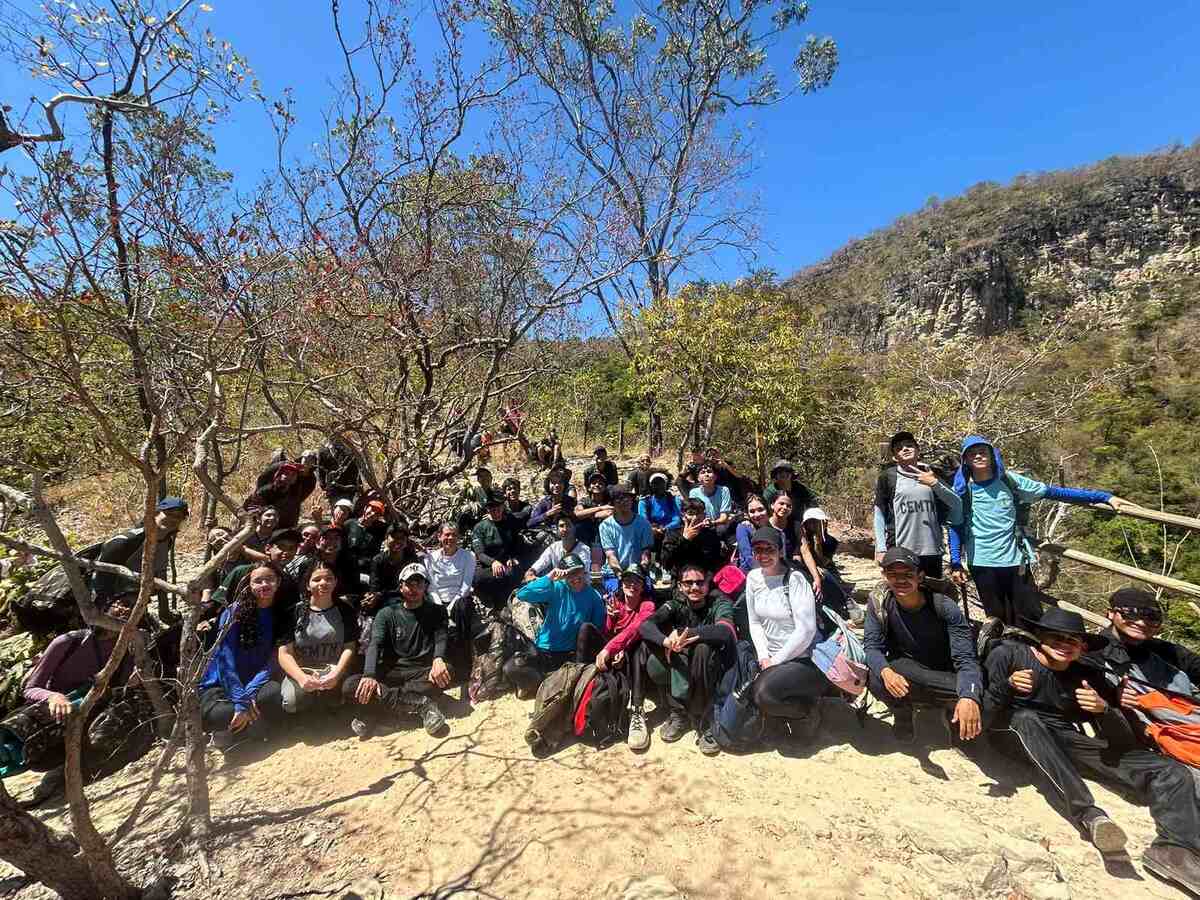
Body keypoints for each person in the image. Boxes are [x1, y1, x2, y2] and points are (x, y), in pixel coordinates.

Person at [983, 606, 1200, 888]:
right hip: (1010, 731)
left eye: (1072, 640)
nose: (1063, 645)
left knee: (1168, 770)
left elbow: (1122, 743)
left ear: (1082, 647)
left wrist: (1105, 711)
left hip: (1063, 737)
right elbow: (984, 712)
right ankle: (1089, 815)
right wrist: (1007, 686)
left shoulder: (1085, 675)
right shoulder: (1009, 654)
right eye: (1055, 637)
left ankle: (1176, 849)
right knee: (1027, 719)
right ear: (1039, 637)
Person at [949, 435, 1130, 627]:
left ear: (992, 455)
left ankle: (1032, 654)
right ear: (965, 460)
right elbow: (955, 526)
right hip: (981, 562)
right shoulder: (962, 490)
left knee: (1030, 615)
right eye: (972, 453)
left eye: (983, 452)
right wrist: (955, 562)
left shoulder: (1010, 481)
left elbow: (1055, 492)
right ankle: (1002, 654)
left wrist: (1103, 497)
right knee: (996, 619)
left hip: (1015, 559)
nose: (978, 456)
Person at [2, 595, 155, 807]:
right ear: (103, 609)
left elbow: (122, 690)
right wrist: (54, 696)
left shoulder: (132, 648)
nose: (124, 611)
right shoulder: (68, 642)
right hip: (53, 715)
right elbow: (30, 688)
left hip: (94, 714)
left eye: (133, 608)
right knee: (15, 747)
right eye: (120, 604)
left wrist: (136, 681)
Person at [864, 547, 983, 745]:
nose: (901, 580)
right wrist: (886, 672)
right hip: (906, 668)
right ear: (885, 576)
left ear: (920, 577)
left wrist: (969, 695)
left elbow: (965, 659)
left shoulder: (944, 606)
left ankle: (953, 710)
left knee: (978, 694)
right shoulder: (879, 604)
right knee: (875, 676)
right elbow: (871, 647)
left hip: (944, 672)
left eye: (908, 575)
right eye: (893, 575)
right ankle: (903, 714)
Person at [343, 564, 452, 737]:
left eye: (419, 583)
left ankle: (378, 708)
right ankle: (422, 705)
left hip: (421, 672)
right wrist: (370, 675)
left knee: (445, 673)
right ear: (401, 587)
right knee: (350, 685)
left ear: (426, 586)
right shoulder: (386, 613)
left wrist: (438, 658)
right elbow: (375, 643)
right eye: (409, 584)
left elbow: (441, 637)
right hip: (391, 673)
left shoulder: (437, 611)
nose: (414, 589)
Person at [639, 563, 737, 754]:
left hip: (713, 669)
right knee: (653, 656)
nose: (694, 587)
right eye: (688, 582)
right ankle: (679, 713)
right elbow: (646, 626)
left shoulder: (719, 603)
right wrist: (666, 641)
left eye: (700, 583)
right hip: (683, 666)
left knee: (702, 648)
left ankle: (706, 720)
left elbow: (726, 631)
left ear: (707, 585)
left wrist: (686, 633)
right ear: (681, 586)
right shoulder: (676, 604)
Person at [1089, 587, 1200, 751]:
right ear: (1111, 613)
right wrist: (1113, 696)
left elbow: (1194, 664)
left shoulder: (1161, 650)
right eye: (1131, 614)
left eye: (1151, 617)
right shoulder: (1094, 653)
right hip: (1152, 734)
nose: (1141, 622)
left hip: (1186, 717)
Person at [743, 527, 824, 739]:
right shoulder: (752, 579)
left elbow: (806, 631)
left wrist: (775, 660)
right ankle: (776, 715)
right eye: (757, 550)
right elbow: (754, 621)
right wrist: (763, 656)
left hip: (803, 658)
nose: (763, 555)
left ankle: (806, 711)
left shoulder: (796, 580)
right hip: (769, 657)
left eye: (769, 549)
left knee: (763, 694)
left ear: (780, 551)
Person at [197, 562, 285, 750]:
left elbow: (273, 660)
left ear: (278, 582)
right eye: (258, 581)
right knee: (214, 714)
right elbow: (225, 661)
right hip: (222, 682)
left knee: (273, 693)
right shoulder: (233, 612)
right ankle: (239, 725)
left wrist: (252, 689)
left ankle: (243, 727)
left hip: (256, 679)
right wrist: (240, 700)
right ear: (249, 585)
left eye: (269, 579)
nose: (264, 585)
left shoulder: (280, 613)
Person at [576, 566, 657, 751]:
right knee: (586, 629)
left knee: (640, 645)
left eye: (637, 581)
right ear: (621, 583)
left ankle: (637, 710)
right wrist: (611, 619)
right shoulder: (615, 603)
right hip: (613, 653)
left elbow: (635, 630)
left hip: (631, 658)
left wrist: (613, 649)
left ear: (643, 587)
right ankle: (577, 681)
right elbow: (607, 632)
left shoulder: (647, 606)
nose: (632, 585)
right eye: (628, 580)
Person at [501, 555, 606, 697]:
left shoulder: (593, 596)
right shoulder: (557, 587)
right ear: (564, 576)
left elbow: (596, 629)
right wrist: (549, 577)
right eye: (570, 574)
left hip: (571, 656)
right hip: (544, 651)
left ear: (584, 571)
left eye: (577, 572)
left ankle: (547, 684)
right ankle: (545, 683)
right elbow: (522, 594)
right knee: (510, 668)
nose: (575, 578)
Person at [873, 431, 963, 578]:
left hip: (932, 550)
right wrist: (881, 549)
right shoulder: (888, 477)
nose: (905, 449)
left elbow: (956, 504)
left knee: (932, 595)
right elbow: (879, 513)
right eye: (899, 448)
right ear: (895, 457)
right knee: (905, 594)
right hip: (901, 550)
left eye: (909, 445)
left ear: (918, 450)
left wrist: (934, 483)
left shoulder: (932, 473)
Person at [274, 563, 358, 718]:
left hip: (334, 670)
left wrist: (337, 674)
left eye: (328, 578)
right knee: (293, 701)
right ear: (307, 585)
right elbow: (284, 653)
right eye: (317, 579)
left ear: (335, 582)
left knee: (345, 692)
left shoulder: (345, 610)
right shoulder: (293, 613)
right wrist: (301, 678)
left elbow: (350, 647)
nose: (323, 583)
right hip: (303, 671)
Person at [91, 496, 190, 607]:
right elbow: (100, 575)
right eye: (169, 514)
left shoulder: (166, 541)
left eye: (179, 517)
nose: (174, 519)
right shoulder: (127, 541)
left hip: (135, 597)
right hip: (112, 600)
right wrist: (104, 604)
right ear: (156, 513)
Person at [471, 493, 523, 607]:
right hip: (487, 566)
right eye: (491, 508)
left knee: (514, 572)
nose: (495, 511)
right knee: (478, 579)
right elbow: (479, 553)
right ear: (487, 509)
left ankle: (505, 603)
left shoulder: (509, 522)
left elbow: (515, 544)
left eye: (498, 507)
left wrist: (511, 557)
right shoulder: (480, 527)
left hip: (505, 564)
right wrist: (493, 562)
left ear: (503, 507)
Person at [661, 499, 726, 575]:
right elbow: (666, 563)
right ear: (683, 515)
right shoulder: (672, 534)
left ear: (704, 515)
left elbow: (716, 563)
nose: (695, 517)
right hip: (681, 579)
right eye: (691, 513)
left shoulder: (710, 534)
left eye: (699, 513)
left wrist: (707, 580)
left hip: (705, 579)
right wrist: (684, 539)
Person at [243, 461, 316, 529]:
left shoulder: (296, 493)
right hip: (264, 529)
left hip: (286, 531)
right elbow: (251, 509)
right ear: (279, 475)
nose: (289, 477)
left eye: (293, 475)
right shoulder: (266, 491)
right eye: (286, 473)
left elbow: (310, 483)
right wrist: (268, 514)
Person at [598, 485, 654, 575]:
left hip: (638, 571)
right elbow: (610, 554)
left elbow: (646, 552)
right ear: (613, 503)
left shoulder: (644, 523)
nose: (624, 501)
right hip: (613, 572)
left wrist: (640, 570)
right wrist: (620, 575)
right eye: (619, 499)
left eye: (627, 498)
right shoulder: (605, 526)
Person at [525, 516, 591, 581]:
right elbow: (542, 561)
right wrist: (531, 571)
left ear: (574, 528)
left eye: (568, 525)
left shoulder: (584, 549)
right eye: (561, 526)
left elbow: (581, 570)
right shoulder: (554, 547)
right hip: (558, 585)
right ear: (557, 530)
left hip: (578, 587)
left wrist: (551, 578)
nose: (565, 529)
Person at [763, 459, 816, 537]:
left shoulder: (799, 488)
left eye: (787, 471)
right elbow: (764, 508)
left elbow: (812, 500)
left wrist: (809, 515)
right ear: (776, 476)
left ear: (791, 474)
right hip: (779, 524)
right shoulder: (769, 491)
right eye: (780, 472)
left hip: (799, 522)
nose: (784, 474)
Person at [369, 522, 423, 596]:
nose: (398, 541)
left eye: (402, 538)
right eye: (394, 537)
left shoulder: (411, 559)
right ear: (386, 538)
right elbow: (374, 586)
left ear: (406, 541)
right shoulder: (378, 560)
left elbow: (413, 585)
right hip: (383, 599)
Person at [638, 472, 682, 557]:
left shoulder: (674, 499)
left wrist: (665, 528)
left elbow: (677, 519)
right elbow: (643, 520)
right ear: (651, 485)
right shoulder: (644, 501)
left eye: (661, 483)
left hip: (669, 531)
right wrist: (653, 529)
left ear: (666, 484)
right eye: (655, 483)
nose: (659, 486)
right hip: (651, 531)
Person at [573, 472, 613, 566]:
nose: (597, 485)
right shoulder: (584, 500)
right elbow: (578, 514)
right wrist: (600, 509)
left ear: (605, 487)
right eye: (594, 483)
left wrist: (589, 514)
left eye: (600, 483)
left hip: (603, 536)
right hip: (585, 536)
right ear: (589, 487)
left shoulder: (609, 501)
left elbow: (610, 513)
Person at [344, 499, 390, 578]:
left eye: (377, 514)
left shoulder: (380, 530)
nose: (372, 514)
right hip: (348, 568)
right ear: (365, 508)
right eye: (372, 510)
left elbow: (396, 529)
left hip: (368, 571)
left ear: (378, 517)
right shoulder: (350, 524)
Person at [688, 463, 735, 540]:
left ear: (715, 477)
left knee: (722, 529)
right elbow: (693, 515)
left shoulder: (724, 490)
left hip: (719, 525)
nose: (706, 475)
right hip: (701, 525)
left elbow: (724, 517)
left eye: (709, 472)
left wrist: (712, 523)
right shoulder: (693, 493)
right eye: (702, 473)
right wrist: (703, 522)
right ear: (698, 478)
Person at [316, 432, 362, 507]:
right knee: (336, 509)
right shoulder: (323, 451)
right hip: (333, 487)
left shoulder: (348, 449)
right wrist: (324, 486)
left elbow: (355, 468)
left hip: (348, 486)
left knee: (347, 509)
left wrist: (359, 483)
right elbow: (321, 470)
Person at [735, 495, 771, 572]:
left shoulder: (772, 527)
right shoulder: (744, 527)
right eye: (752, 511)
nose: (757, 514)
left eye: (760, 509)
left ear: (767, 509)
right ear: (747, 514)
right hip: (753, 574)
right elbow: (748, 558)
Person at [455, 467, 495, 534]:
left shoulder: (495, 494)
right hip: (475, 522)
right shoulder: (473, 491)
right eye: (481, 476)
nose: (484, 478)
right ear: (478, 479)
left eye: (486, 476)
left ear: (491, 478)